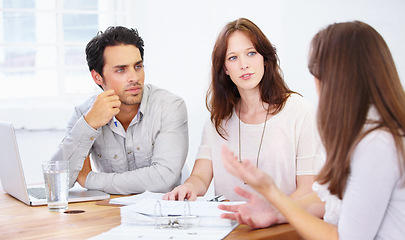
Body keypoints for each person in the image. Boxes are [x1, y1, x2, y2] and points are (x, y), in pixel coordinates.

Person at [220, 20, 405, 239]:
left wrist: (272, 193)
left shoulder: (377, 145)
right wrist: (275, 211)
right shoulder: (363, 134)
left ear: (339, 77)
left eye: (316, 72)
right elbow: (328, 200)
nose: (315, 82)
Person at [163, 18, 324, 201]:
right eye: (233, 57)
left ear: (265, 58)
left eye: (251, 53)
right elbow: (200, 176)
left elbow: (308, 190)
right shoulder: (219, 119)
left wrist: (271, 214)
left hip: (282, 226)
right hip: (231, 226)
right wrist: (188, 187)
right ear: (225, 68)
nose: (244, 65)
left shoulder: (300, 111)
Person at [51, 26, 189, 195]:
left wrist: (89, 179)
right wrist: (89, 125)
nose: (134, 78)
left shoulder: (170, 106)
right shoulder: (84, 114)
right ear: (97, 77)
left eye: (138, 66)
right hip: (109, 213)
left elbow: (163, 180)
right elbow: (56, 183)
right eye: (121, 70)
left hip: (163, 215)